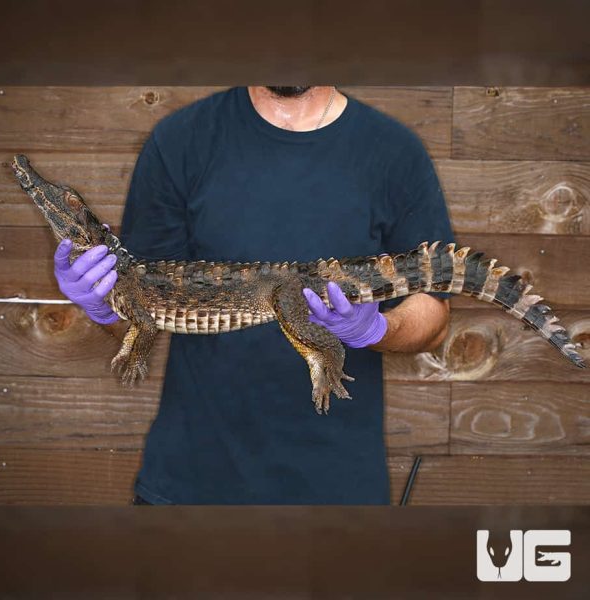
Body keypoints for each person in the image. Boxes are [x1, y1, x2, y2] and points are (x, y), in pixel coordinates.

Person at [53, 86, 454, 505]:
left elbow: (435, 317)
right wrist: (103, 304)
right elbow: (144, 311)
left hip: (336, 490)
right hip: (192, 486)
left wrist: (377, 329)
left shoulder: (394, 150)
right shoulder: (180, 140)